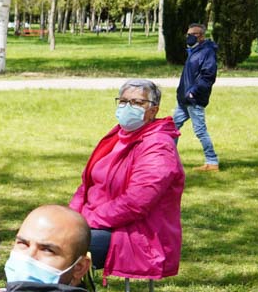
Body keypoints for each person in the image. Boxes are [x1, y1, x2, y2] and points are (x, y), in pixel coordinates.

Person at [70, 79, 184, 277]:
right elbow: (87, 185)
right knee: (39, 239)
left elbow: (135, 203)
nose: (128, 107)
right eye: (123, 101)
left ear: (153, 111)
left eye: (137, 103)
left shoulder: (158, 147)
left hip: (136, 235)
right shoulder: (117, 136)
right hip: (98, 222)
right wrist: (69, 217)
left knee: (60, 249)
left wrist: (87, 221)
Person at [173, 23, 219, 171]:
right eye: (188, 34)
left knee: (200, 130)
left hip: (194, 99)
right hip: (184, 99)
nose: (189, 37)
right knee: (172, 128)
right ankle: (168, 158)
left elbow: (208, 76)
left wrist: (193, 91)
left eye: (192, 34)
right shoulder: (194, 51)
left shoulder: (207, 52)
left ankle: (211, 161)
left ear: (201, 36)